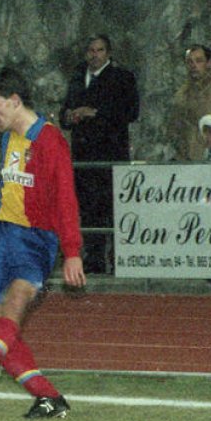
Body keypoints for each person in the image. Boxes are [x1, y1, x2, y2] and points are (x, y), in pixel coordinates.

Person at [0, 68, 86, 419]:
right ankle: (48, 398)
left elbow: (65, 200)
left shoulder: (49, 140)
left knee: (16, 299)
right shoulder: (6, 139)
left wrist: (71, 252)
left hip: (34, 238)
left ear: (15, 102)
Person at [59, 35, 139, 274]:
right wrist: (69, 115)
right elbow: (65, 109)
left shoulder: (122, 78)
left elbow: (131, 111)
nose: (95, 55)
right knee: (88, 208)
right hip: (83, 155)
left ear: (108, 53)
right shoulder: (77, 78)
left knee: (113, 207)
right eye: (91, 50)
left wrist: (96, 113)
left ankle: (118, 259)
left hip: (110, 152)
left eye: (100, 50)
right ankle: (94, 259)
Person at [171, 44, 211, 161]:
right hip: (185, 158)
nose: (194, 65)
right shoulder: (182, 92)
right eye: (190, 62)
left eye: (199, 61)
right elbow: (175, 126)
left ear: (209, 63)